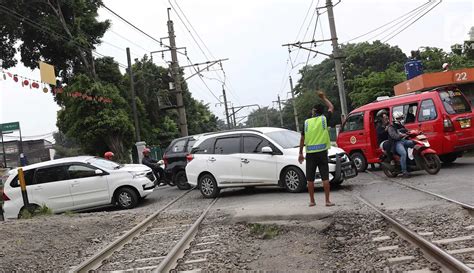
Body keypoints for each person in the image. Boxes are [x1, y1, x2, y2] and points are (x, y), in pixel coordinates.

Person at [298, 90, 335, 207]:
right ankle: (327, 201)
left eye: (312, 110)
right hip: (322, 153)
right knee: (325, 177)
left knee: (310, 179)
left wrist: (300, 153)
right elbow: (331, 107)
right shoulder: (324, 119)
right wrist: (323, 97)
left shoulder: (306, 123)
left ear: (314, 111)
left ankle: (312, 201)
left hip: (311, 154)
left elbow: (302, 139)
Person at [388, 112, 415, 178]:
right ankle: (404, 171)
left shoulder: (401, 125)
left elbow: (407, 131)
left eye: (401, 118)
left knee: (414, 143)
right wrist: (401, 135)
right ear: (395, 118)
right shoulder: (391, 127)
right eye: (398, 118)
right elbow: (394, 136)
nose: (400, 119)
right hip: (397, 143)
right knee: (403, 153)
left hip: (404, 141)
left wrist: (413, 132)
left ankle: (413, 163)